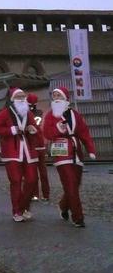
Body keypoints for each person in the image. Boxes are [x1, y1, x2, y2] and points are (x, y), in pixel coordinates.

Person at [43, 86, 96, 228]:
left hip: (76, 151)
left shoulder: (75, 114)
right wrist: (58, 129)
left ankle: (63, 205)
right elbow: (47, 133)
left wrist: (90, 149)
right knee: (70, 183)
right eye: (54, 96)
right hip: (60, 151)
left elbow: (84, 132)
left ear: (66, 98)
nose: (56, 98)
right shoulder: (50, 115)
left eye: (59, 95)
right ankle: (78, 217)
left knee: (75, 184)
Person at [0, 87, 40, 222]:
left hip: (28, 150)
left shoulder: (28, 113)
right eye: (18, 96)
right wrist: (12, 130)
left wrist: (32, 129)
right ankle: (17, 211)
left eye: (23, 96)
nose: (22, 98)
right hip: (12, 151)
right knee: (16, 181)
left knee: (32, 180)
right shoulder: (5, 113)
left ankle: (23, 207)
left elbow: (34, 127)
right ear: (13, 99)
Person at [27, 93, 50, 202]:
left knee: (34, 172)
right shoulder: (40, 112)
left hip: (32, 145)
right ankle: (45, 194)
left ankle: (35, 194)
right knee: (42, 171)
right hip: (40, 144)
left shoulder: (26, 114)